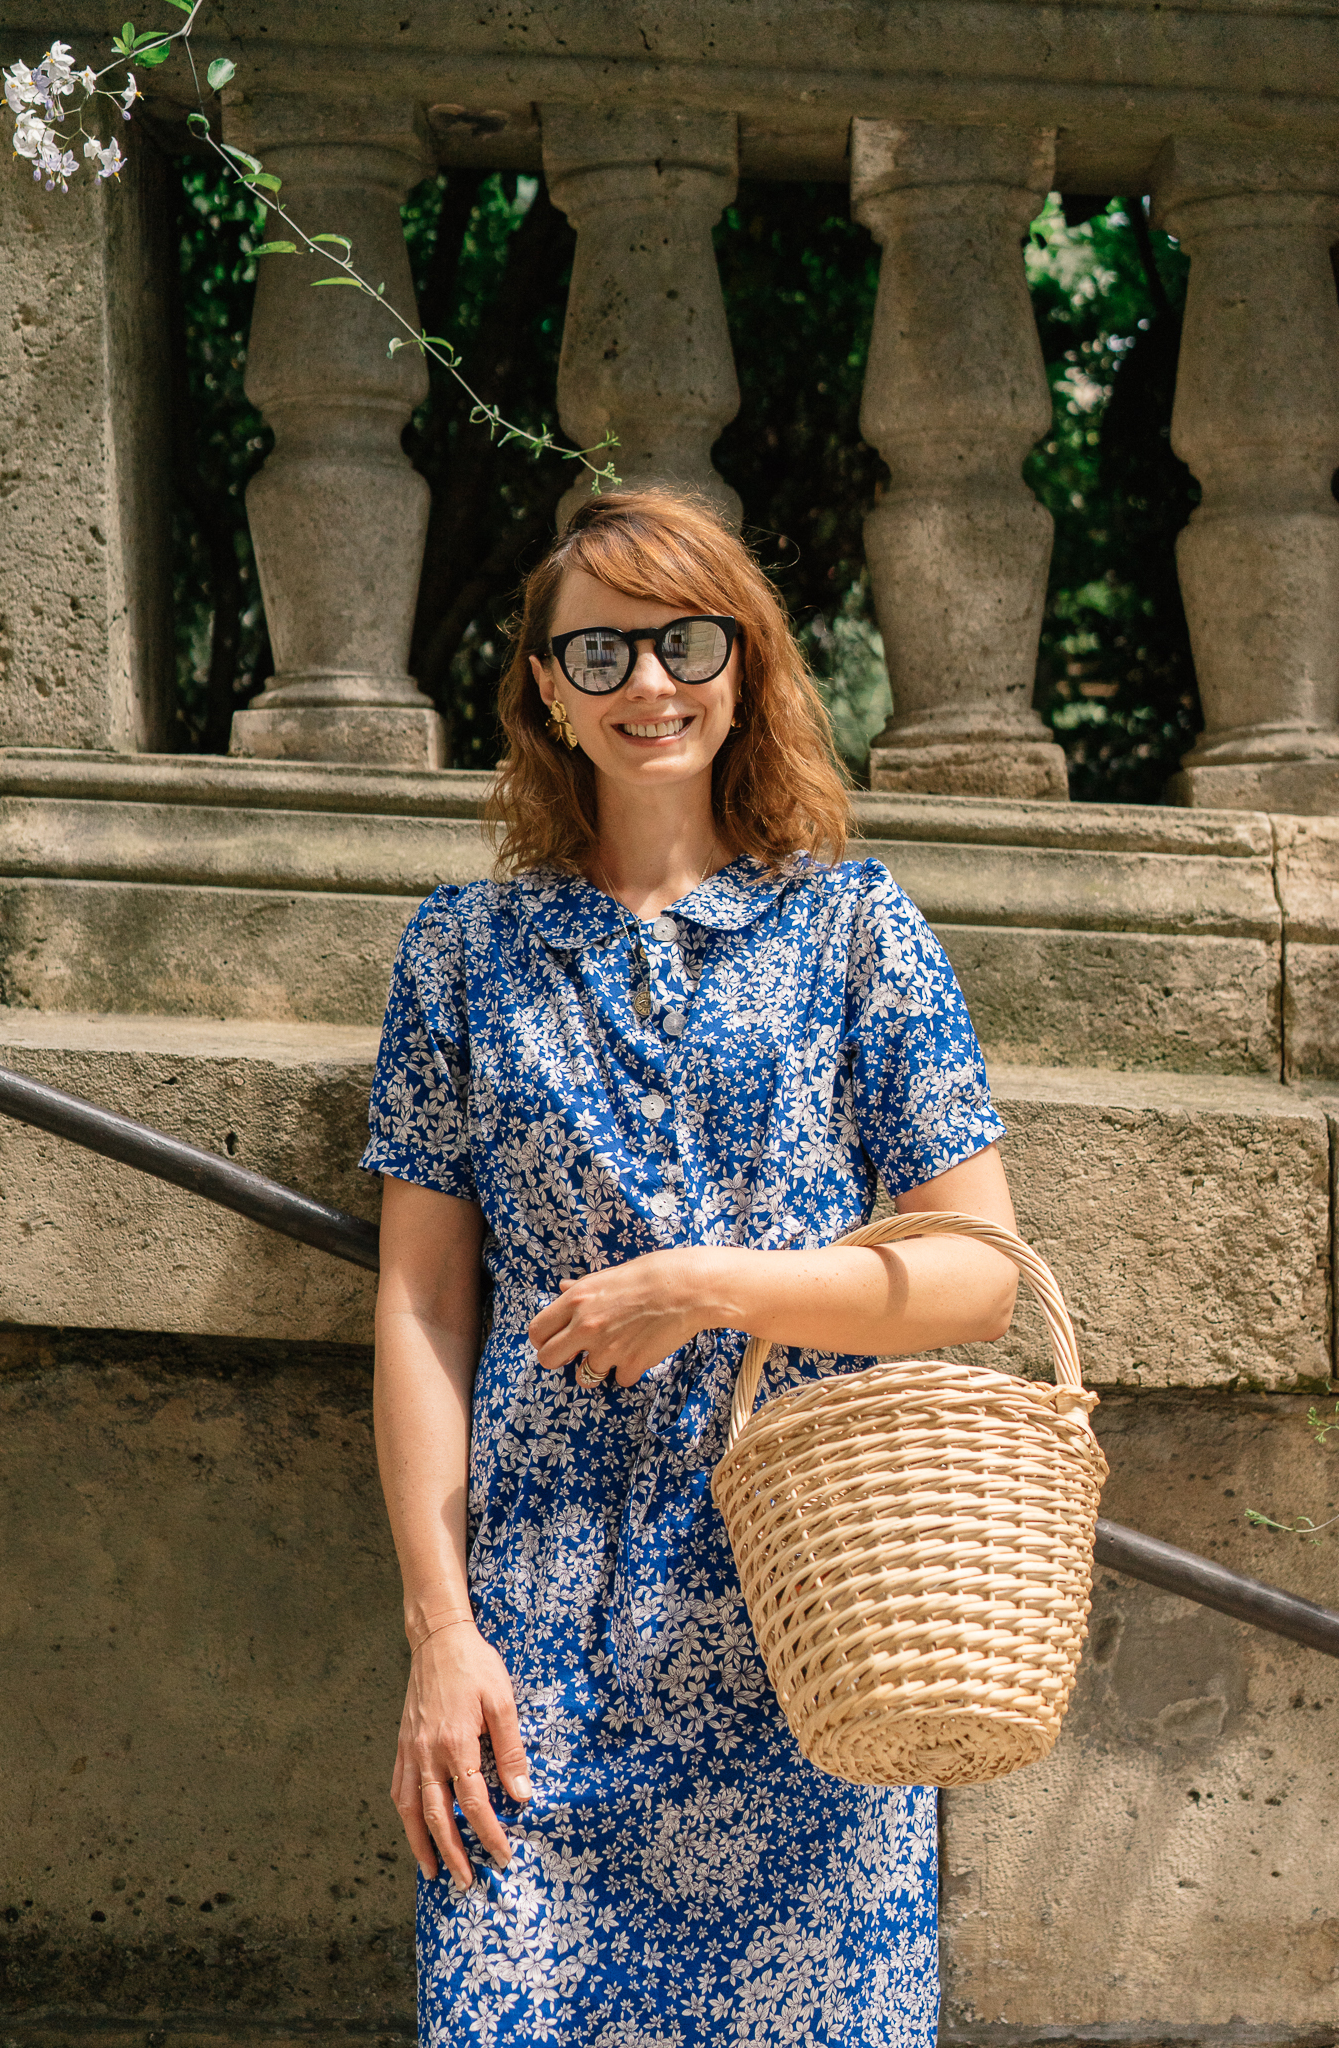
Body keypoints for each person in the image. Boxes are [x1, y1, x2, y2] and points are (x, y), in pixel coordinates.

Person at [361, 486, 1021, 2047]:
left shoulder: (855, 931)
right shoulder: (459, 953)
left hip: (814, 1621)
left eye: (686, 642)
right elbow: (421, 1306)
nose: (648, 682)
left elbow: (978, 1274)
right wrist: (441, 1636)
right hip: (535, 1625)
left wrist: (712, 1286)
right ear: (544, 690)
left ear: (745, 663)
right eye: (599, 652)